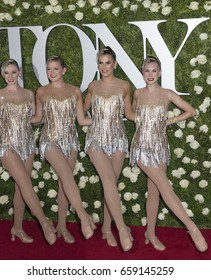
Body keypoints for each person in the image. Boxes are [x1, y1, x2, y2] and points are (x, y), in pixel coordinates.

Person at [0, 59, 57, 246]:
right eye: (6, 73)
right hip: (7, 145)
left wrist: (47, 116)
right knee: (25, 182)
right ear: (2, 75)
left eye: (13, 72)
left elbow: (35, 118)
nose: (10, 76)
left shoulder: (28, 94)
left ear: (19, 72)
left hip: (27, 144)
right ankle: (45, 224)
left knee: (21, 188)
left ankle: (17, 228)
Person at [129, 56, 208, 252]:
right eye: (147, 71)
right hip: (141, 147)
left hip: (160, 147)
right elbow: (130, 114)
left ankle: (150, 232)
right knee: (165, 186)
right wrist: (143, 119)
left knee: (154, 191)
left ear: (160, 73)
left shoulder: (167, 94)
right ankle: (192, 227)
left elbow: (191, 111)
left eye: (154, 71)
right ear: (142, 72)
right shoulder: (138, 93)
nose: (150, 74)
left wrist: (167, 121)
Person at [31, 55, 96, 243]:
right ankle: (84, 217)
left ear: (64, 70)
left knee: (64, 184)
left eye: (55, 69)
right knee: (67, 177)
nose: (51, 72)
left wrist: (105, 119)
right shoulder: (41, 91)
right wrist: (16, 119)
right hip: (49, 139)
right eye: (49, 69)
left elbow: (82, 120)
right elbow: (37, 118)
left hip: (70, 141)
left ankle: (61, 226)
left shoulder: (75, 91)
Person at [83, 46, 135, 252]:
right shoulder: (93, 86)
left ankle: (106, 228)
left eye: (107, 63)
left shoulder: (124, 86)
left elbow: (129, 113)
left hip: (118, 139)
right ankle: (121, 229)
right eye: (101, 63)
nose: (104, 66)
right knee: (108, 181)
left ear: (115, 64)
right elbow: (83, 109)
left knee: (111, 184)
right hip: (96, 139)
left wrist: (152, 118)